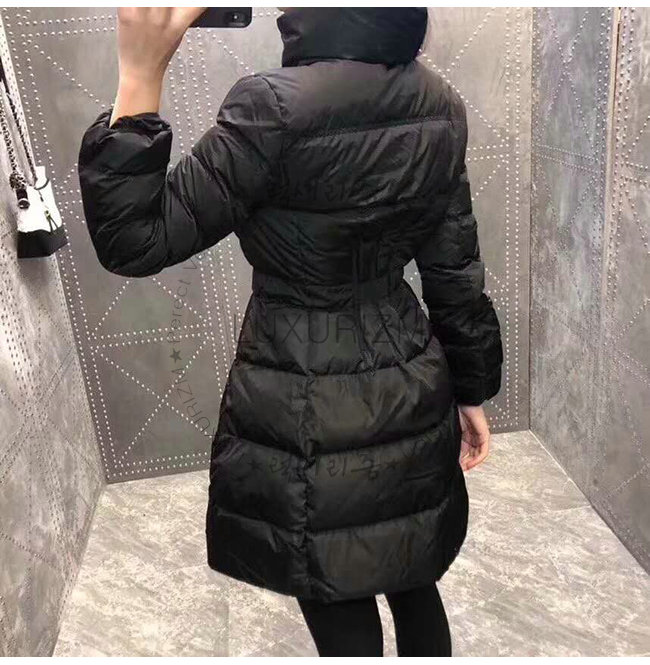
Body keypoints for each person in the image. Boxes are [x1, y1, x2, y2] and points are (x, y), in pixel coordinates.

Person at [77, 7, 503, 657]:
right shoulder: (438, 102)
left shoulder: (270, 108)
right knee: (414, 574)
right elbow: (454, 270)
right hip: (410, 379)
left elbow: (136, 240)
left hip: (302, 392)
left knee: (337, 594)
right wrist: (471, 390)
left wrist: (139, 74)